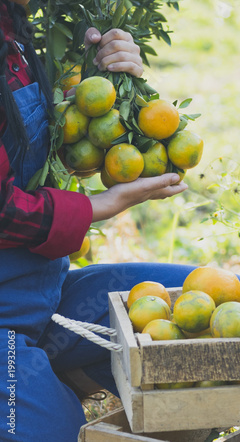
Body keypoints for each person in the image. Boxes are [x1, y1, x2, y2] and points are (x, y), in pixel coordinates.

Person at [0, 0, 202, 439]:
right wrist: (103, 205)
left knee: (200, 315)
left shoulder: (14, 32)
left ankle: (46, 374)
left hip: (43, 298)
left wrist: (108, 85)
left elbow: (46, 158)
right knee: (55, 433)